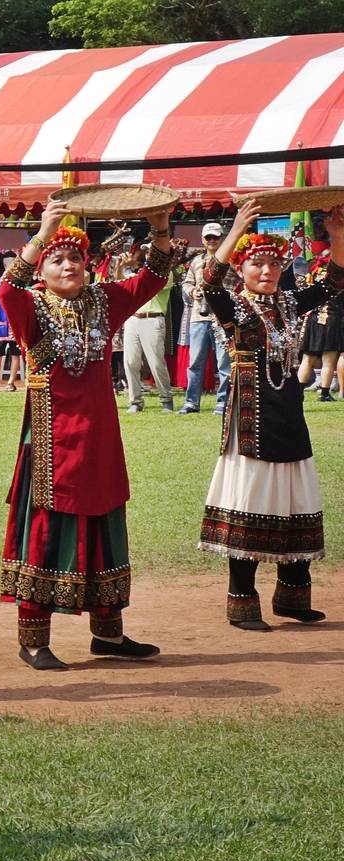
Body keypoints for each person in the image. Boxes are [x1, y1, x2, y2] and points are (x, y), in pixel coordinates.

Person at [0, 199, 172, 671]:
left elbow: (152, 279)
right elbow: (6, 290)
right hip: (52, 439)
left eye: (75, 257)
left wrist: (160, 227)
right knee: (46, 529)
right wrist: (42, 233)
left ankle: (109, 634)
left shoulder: (104, 301)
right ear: (43, 270)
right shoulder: (31, 307)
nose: (68, 265)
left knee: (106, 524)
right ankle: (33, 639)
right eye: (57, 259)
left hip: (99, 438)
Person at [196, 200, 343, 630]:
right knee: (252, 500)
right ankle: (241, 599)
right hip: (250, 424)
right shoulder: (235, 308)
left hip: (289, 417)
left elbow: (336, 279)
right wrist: (235, 230)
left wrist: (335, 237)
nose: (266, 271)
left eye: (274, 264)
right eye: (257, 264)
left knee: (296, 497)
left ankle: (293, 596)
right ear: (241, 268)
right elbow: (209, 282)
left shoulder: (291, 305)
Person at [180, 223, 234, 414]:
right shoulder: (196, 261)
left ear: (222, 239)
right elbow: (186, 283)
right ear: (203, 240)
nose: (212, 241)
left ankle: (223, 403)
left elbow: (240, 282)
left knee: (224, 363)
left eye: (215, 238)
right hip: (198, 315)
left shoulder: (231, 259)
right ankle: (191, 402)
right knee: (195, 362)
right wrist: (193, 291)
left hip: (222, 317)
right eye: (208, 238)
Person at [120, 241, 177, 412]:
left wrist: (131, 270)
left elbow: (147, 284)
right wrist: (123, 267)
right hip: (132, 319)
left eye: (152, 252)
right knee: (130, 362)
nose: (148, 255)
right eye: (147, 252)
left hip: (152, 319)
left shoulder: (166, 272)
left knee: (156, 363)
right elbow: (119, 281)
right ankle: (135, 402)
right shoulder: (139, 272)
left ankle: (166, 399)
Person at [298, 249, 342, 403]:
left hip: (313, 318)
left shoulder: (315, 272)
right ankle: (324, 392)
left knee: (307, 359)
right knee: (328, 360)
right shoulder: (337, 275)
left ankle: (298, 392)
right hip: (332, 317)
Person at [0, 256, 20, 391]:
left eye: (13, 262)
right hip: (0, 323)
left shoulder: (20, 282)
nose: (10, 265)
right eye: (8, 263)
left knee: (15, 354)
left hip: (15, 323)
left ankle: (11, 383)